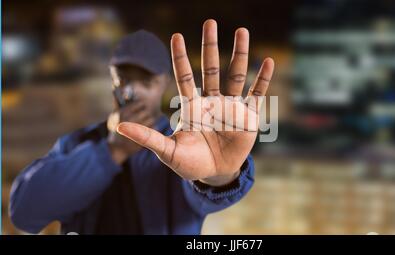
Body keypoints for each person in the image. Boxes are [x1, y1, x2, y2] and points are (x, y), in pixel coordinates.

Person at [9, 19, 275, 234]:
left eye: (146, 82)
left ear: (164, 85)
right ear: (111, 80)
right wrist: (112, 151)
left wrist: (218, 176)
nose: (132, 91)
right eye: (124, 79)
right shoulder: (76, 143)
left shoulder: (183, 143)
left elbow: (202, 196)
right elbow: (25, 212)